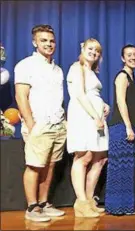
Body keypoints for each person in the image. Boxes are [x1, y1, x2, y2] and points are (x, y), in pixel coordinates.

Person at [14, 24, 66, 222]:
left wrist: (63, 122)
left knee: (50, 165)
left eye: (51, 40)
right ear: (35, 42)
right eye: (43, 40)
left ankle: (44, 203)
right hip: (39, 124)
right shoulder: (25, 65)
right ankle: (32, 207)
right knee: (35, 165)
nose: (49, 44)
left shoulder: (57, 70)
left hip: (57, 124)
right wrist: (31, 124)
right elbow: (21, 97)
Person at [66, 38, 110, 217]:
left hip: (96, 116)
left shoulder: (91, 71)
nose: (94, 52)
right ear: (83, 48)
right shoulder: (76, 67)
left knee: (100, 158)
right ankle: (81, 202)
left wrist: (103, 105)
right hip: (84, 116)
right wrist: (95, 116)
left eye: (97, 51)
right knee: (84, 156)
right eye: (91, 49)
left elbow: (92, 94)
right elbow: (80, 95)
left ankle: (90, 200)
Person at [105, 44, 135, 215]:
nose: (133, 57)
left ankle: (125, 206)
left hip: (128, 126)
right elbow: (120, 101)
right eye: (129, 55)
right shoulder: (122, 76)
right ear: (122, 58)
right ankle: (116, 207)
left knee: (126, 167)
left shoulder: (132, 77)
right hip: (120, 126)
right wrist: (127, 126)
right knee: (119, 167)